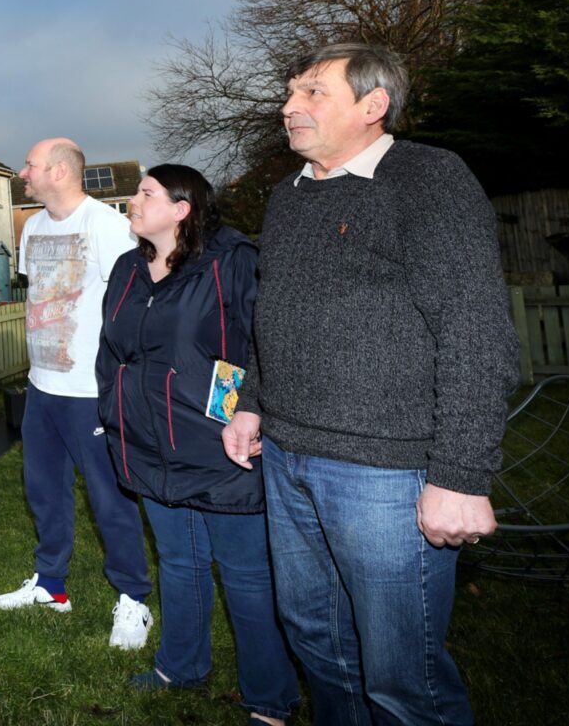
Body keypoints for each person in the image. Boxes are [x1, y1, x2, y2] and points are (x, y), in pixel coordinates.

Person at [222, 42, 518, 726]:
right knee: (319, 646)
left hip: (386, 474)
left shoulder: (427, 179)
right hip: (288, 461)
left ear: (373, 105)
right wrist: (252, 404)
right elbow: (277, 312)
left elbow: (475, 328)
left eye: (312, 93)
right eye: (291, 92)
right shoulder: (288, 197)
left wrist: (463, 474)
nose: (289, 107)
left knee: (402, 679)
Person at [96, 165, 299, 726]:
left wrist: (247, 417)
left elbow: (259, 344)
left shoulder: (232, 261)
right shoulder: (128, 268)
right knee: (179, 562)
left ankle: (271, 699)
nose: (133, 202)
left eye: (145, 193)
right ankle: (180, 666)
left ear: (182, 208)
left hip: (219, 445)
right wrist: (112, 412)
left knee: (247, 576)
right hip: (148, 444)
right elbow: (111, 351)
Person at [0, 137, 154, 649]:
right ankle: (50, 585)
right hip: (42, 385)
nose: (23, 173)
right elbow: (43, 298)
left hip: (90, 391)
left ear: (60, 171)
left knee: (109, 500)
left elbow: (134, 306)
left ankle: (133, 599)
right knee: (43, 491)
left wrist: (119, 378)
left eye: (31, 165)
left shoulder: (108, 228)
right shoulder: (33, 227)